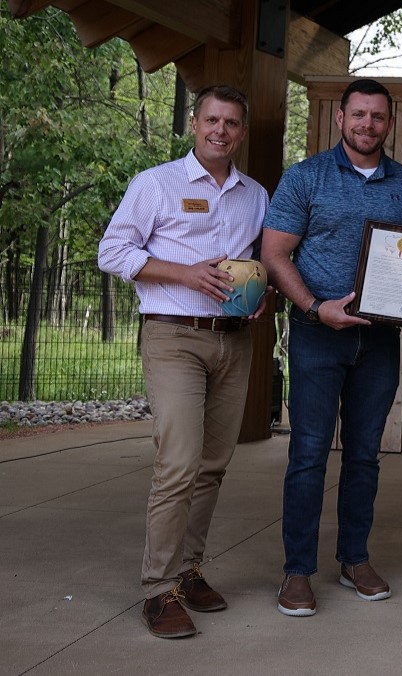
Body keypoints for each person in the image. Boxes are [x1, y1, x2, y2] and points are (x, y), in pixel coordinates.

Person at [98, 84, 268, 639]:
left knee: (214, 464)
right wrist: (184, 272)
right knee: (178, 463)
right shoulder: (156, 184)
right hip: (173, 336)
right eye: (212, 121)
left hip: (233, 339)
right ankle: (158, 589)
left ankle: (190, 571)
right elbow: (113, 251)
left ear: (242, 131)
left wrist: (261, 294)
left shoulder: (255, 196)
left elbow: (260, 261)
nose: (221, 131)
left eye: (232, 123)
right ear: (194, 124)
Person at [262, 78, 402, 617]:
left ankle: (354, 558)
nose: (367, 125)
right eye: (358, 114)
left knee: (364, 455)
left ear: (390, 122)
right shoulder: (305, 177)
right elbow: (274, 254)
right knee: (308, 454)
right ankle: (297, 572)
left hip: (378, 341)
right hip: (317, 335)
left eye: (377, 117)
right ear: (340, 118)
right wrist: (316, 308)